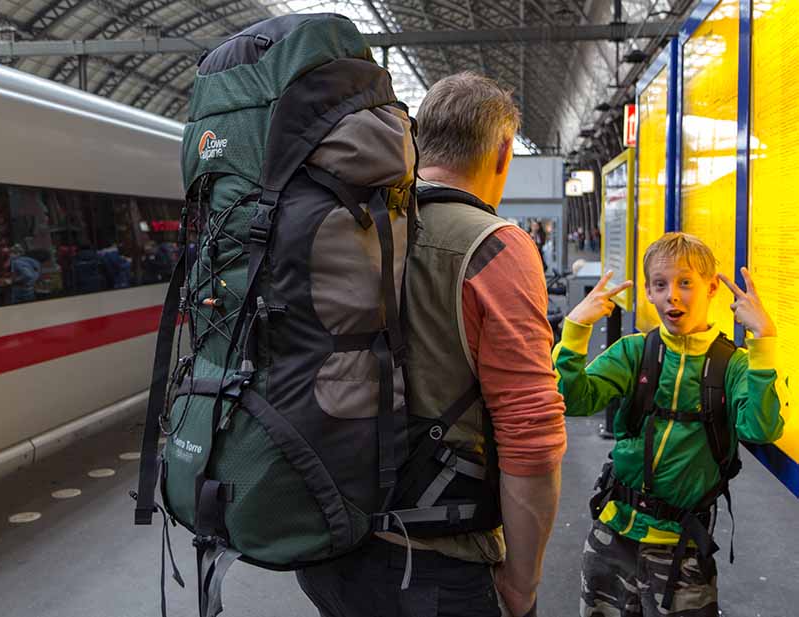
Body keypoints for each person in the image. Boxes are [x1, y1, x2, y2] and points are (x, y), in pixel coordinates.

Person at [296, 72, 566, 617]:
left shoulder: (351, 224)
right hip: (432, 566)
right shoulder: (494, 246)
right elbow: (530, 434)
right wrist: (522, 581)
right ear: (503, 151)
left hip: (327, 546)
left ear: (416, 141)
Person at [554, 232, 785, 617]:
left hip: (682, 547)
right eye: (660, 285)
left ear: (712, 288)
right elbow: (572, 399)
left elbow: (760, 428)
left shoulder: (734, 365)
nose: (671, 296)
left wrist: (764, 340)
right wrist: (576, 328)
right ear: (648, 291)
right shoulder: (635, 351)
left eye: (685, 283)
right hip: (613, 535)